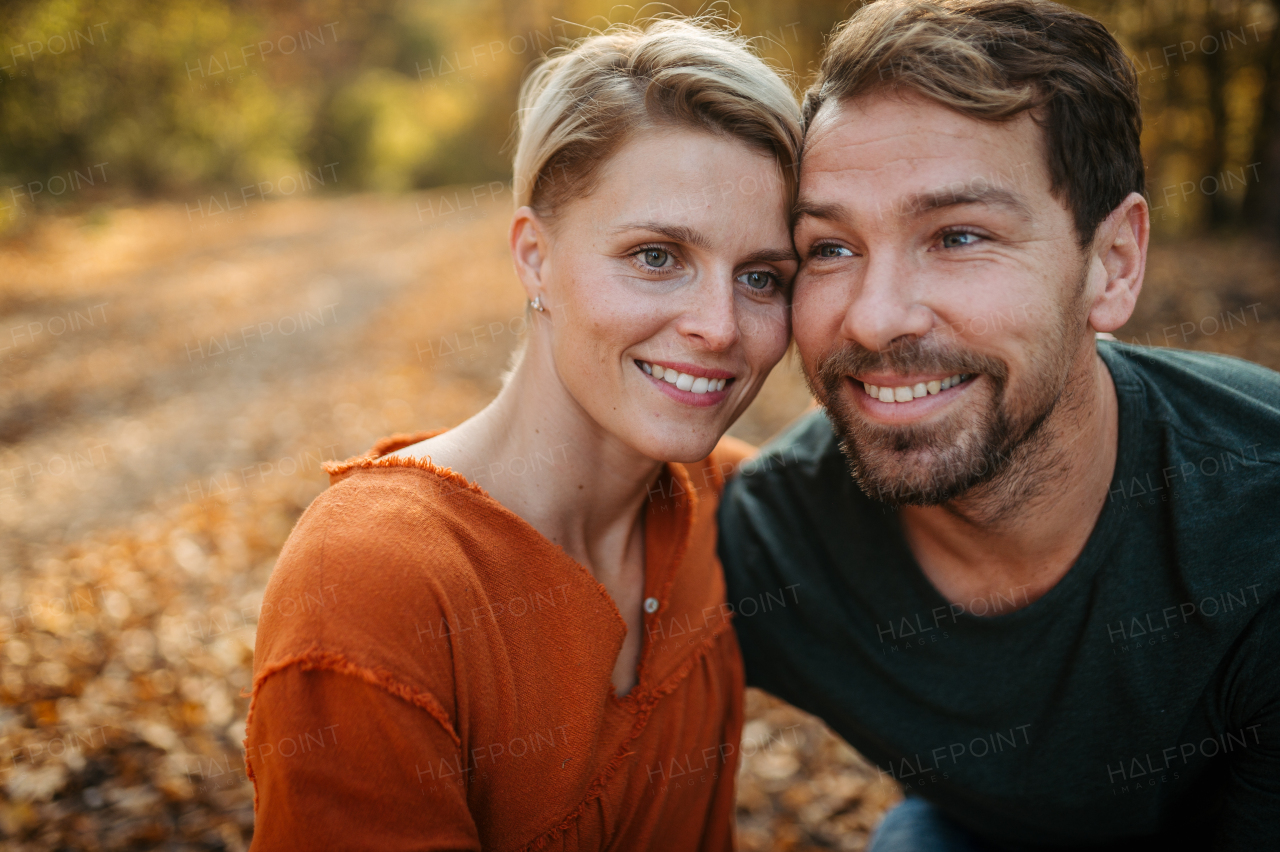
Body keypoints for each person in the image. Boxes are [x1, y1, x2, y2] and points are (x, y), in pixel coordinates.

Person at [718, 1, 1280, 849]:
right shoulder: (778, 541)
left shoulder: (1256, 520)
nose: (874, 321)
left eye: (959, 235)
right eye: (830, 248)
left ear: (1113, 265)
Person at [243, 17, 803, 851]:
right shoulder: (375, 580)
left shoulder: (734, 504)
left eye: (762, 277)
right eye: (657, 256)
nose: (720, 327)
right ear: (534, 256)